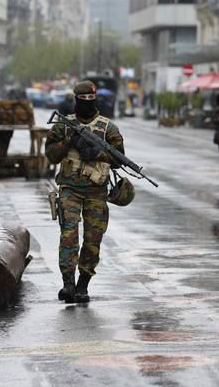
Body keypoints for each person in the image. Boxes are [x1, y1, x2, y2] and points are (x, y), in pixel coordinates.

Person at [45, 81, 125, 303]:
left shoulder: (108, 128)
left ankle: (83, 284)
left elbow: (119, 159)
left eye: (91, 100)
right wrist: (71, 140)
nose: (87, 104)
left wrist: (97, 153)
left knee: (93, 239)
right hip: (70, 188)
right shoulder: (63, 125)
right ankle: (68, 284)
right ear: (76, 100)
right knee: (68, 236)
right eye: (83, 100)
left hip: (96, 192)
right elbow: (51, 154)